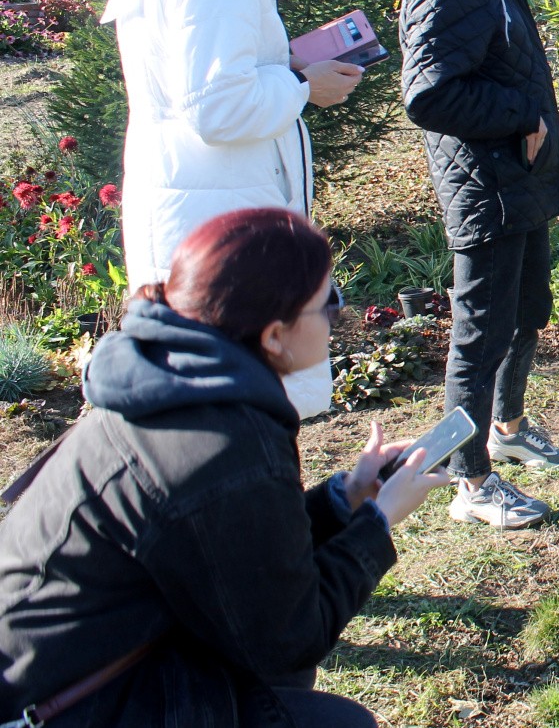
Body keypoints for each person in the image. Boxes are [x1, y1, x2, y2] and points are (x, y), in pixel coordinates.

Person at [0, 208, 450, 728]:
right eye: (328, 302)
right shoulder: (222, 444)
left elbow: (231, 546)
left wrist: (345, 498)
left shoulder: (168, 381)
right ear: (274, 336)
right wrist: (378, 524)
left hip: (70, 667)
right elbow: (289, 639)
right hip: (70, 706)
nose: (338, 315)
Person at [96, 0, 365, 419]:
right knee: (230, 422)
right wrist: (304, 87)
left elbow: (207, 82)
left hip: (207, 213)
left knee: (211, 420)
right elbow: (217, 109)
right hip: (216, 224)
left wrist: (286, 65)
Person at [396, 0, 559, 530]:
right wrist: (522, 115)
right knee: (479, 335)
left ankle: (507, 424)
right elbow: (429, 94)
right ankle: (469, 479)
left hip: (517, 175)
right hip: (484, 184)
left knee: (528, 308)